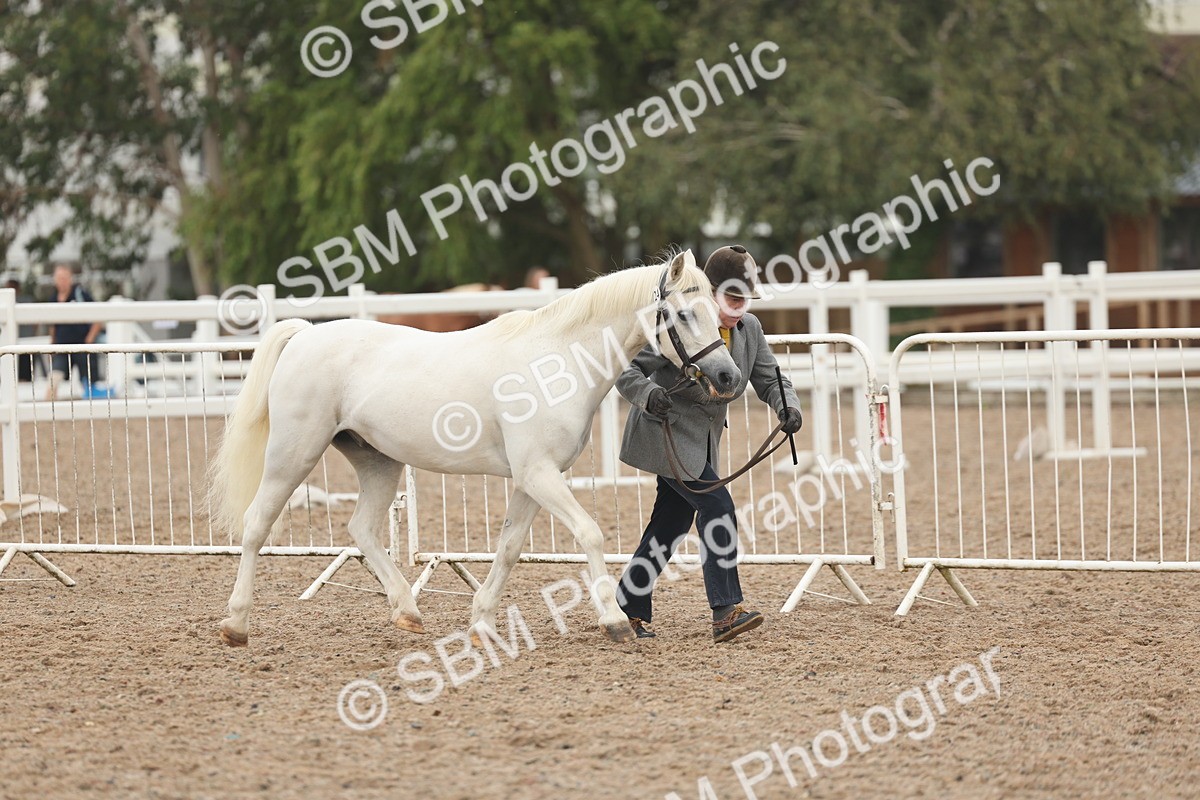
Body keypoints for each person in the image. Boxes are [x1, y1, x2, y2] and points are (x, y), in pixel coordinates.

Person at [614, 245, 803, 643]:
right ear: (710, 291)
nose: (739, 308)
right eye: (732, 299)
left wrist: (788, 408)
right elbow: (626, 370)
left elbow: (770, 378)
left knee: (672, 521)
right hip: (665, 433)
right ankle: (725, 611)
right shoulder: (681, 322)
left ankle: (627, 605)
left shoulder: (748, 330)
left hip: (702, 442)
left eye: (745, 300)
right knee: (718, 506)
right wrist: (648, 394)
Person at [45, 263, 103, 400]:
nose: (62, 281)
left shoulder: (80, 294)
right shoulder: (53, 299)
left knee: (89, 383)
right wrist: (51, 346)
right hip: (61, 347)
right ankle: (48, 414)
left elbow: (99, 316)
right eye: (59, 278)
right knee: (53, 380)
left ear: (70, 279)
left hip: (82, 346)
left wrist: (90, 338)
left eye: (64, 278)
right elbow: (53, 326)